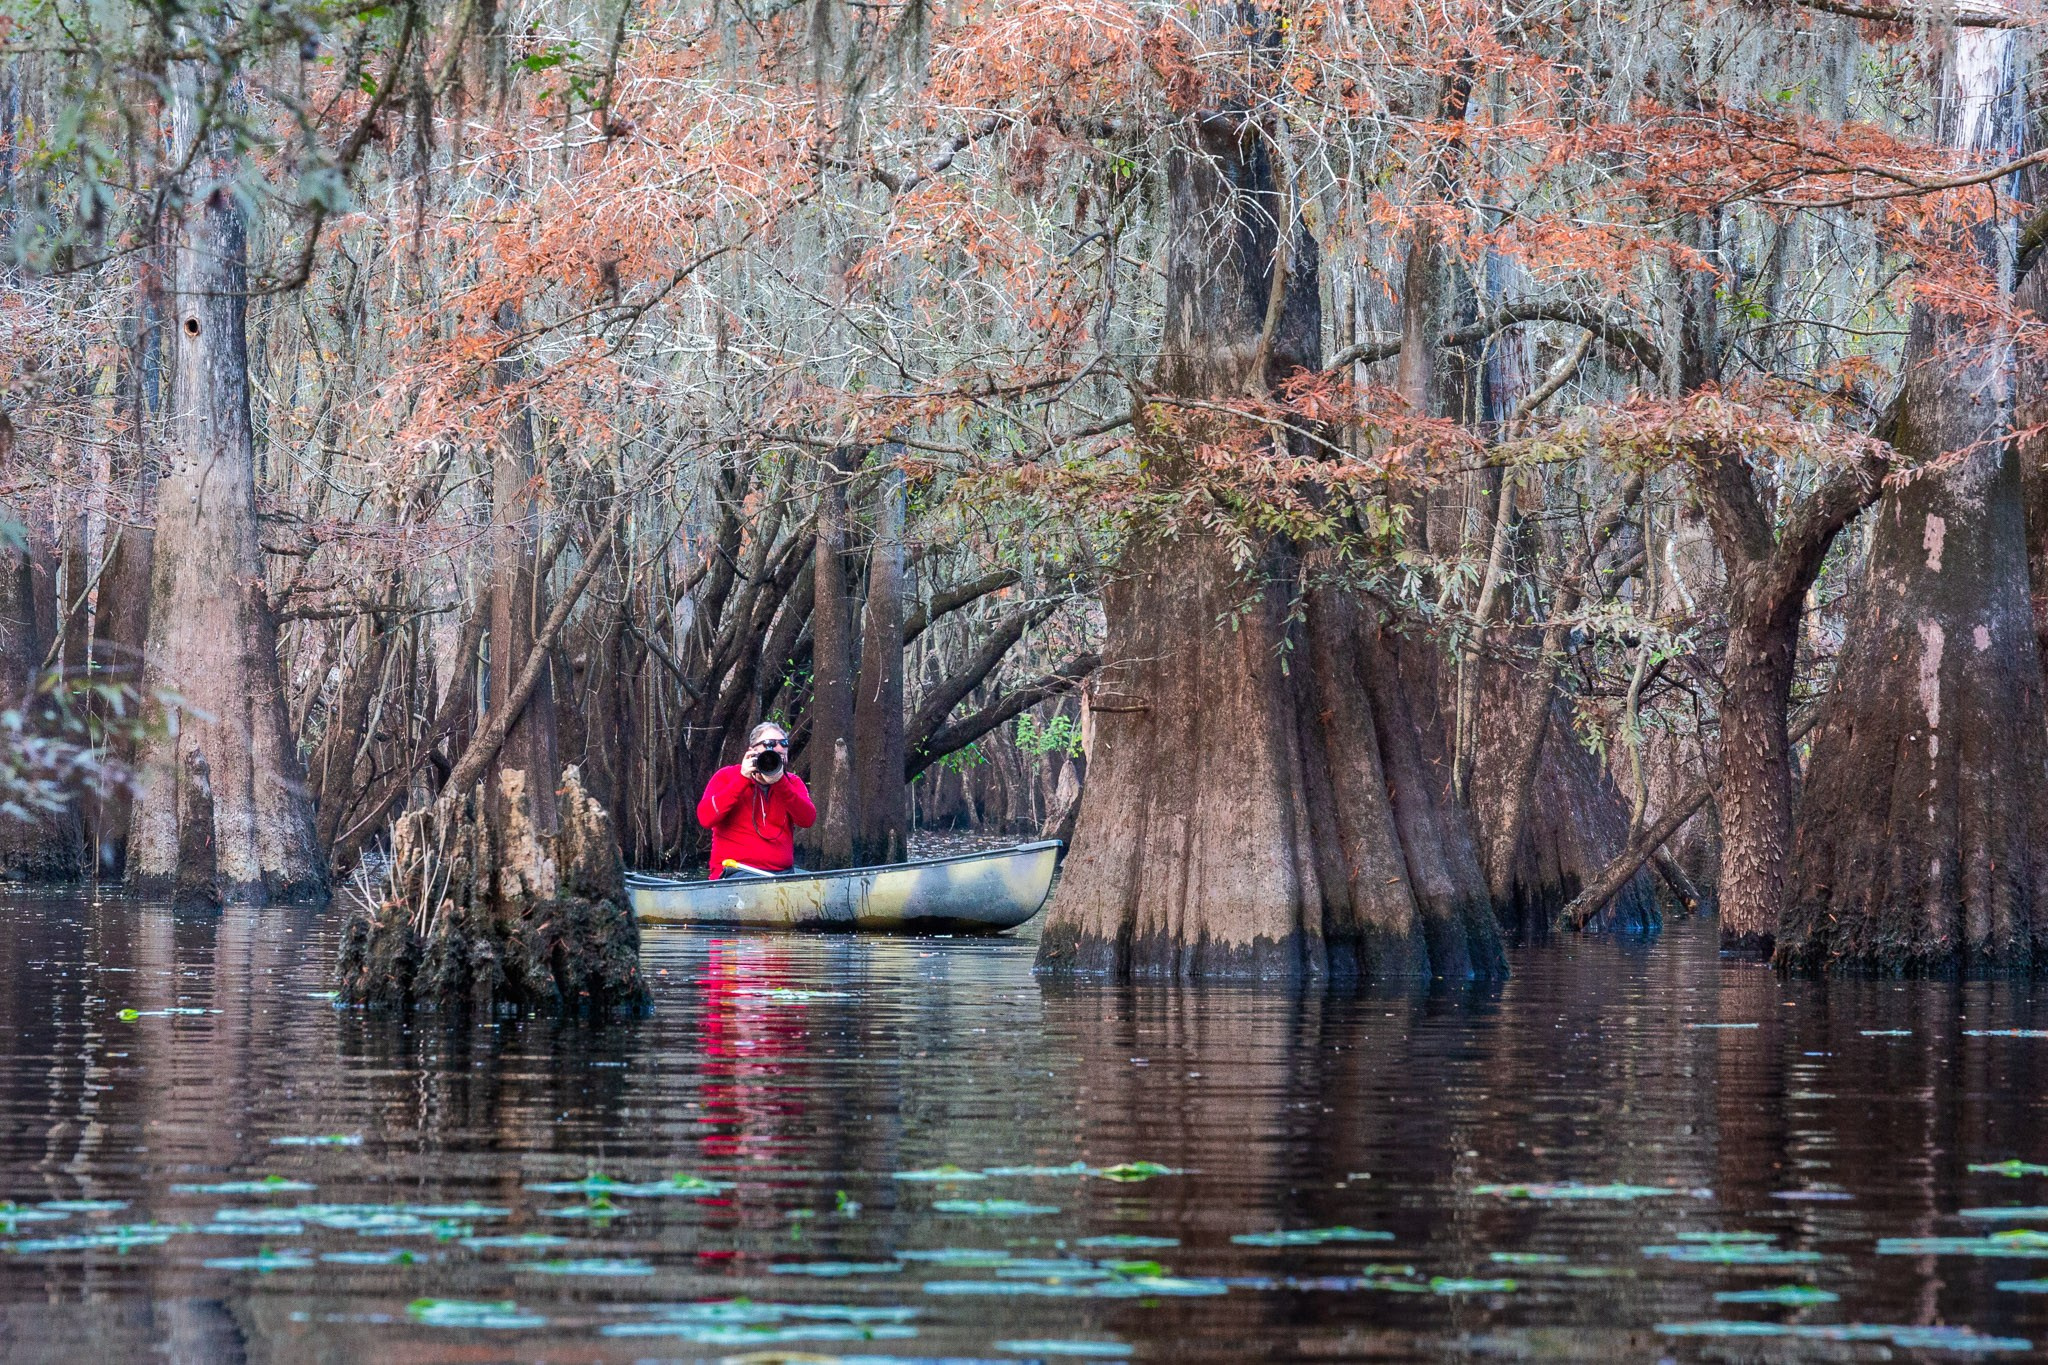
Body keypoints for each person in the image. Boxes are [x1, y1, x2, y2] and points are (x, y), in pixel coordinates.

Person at [696, 722, 816, 878]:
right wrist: (742, 779)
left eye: (782, 750)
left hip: (781, 874)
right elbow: (705, 818)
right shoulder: (726, 776)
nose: (776, 749)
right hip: (735, 872)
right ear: (751, 751)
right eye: (769, 745)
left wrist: (779, 783)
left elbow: (807, 820)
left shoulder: (792, 783)